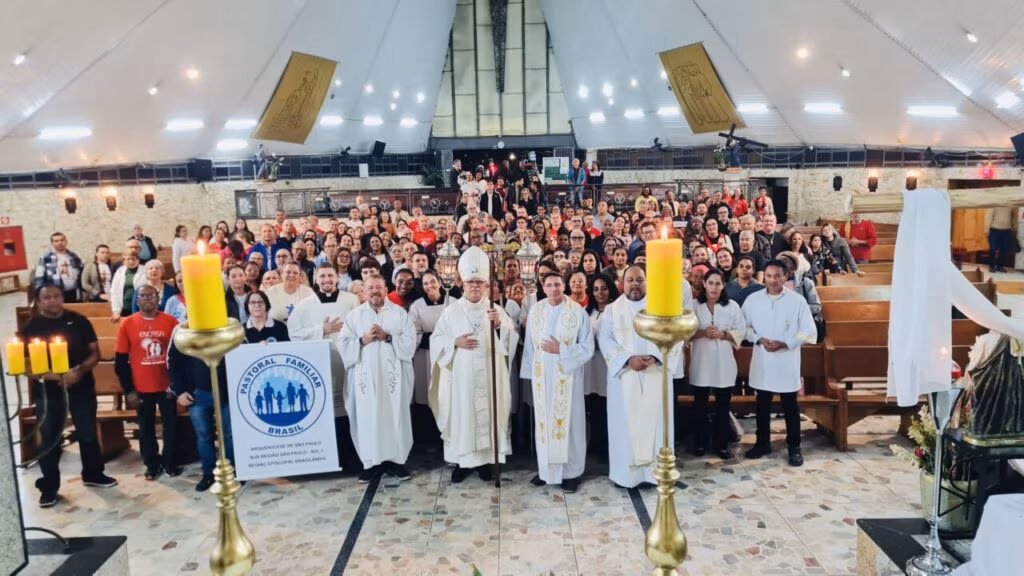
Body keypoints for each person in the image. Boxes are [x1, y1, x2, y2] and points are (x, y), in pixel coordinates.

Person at [429, 247, 518, 482]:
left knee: (489, 413)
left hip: (489, 376)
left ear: (487, 285)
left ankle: (486, 462)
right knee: (463, 415)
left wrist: (499, 326)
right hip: (461, 379)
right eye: (471, 282)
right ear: (463, 284)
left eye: (479, 282)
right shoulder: (451, 312)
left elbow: (511, 339)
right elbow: (436, 340)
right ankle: (462, 462)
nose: (475, 286)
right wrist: (454, 342)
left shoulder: (496, 310)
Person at [23, 284, 113, 507]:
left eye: (57, 296)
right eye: (47, 297)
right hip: (49, 390)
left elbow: (95, 353)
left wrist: (79, 371)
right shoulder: (32, 328)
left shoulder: (78, 320)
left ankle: (93, 473)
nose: (53, 300)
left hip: (81, 385)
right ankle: (50, 486)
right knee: (50, 438)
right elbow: (27, 366)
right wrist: (58, 377)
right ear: (39, 302)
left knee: (87, 432)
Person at [597, 266, 674, 488]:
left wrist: (656, 356)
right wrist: (627, 359)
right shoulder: (612, 310)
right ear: (622, 283)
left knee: (656, 423)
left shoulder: (661, 307)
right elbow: (605, 339)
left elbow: (674, 335)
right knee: (624, 425)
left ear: (647, 281)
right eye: (630, 280)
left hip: (655, 371)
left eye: (640, 279)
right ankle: (626, 475)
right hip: (625, 375)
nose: (635, 284)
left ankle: (653, 474)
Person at [520, 271, 594, 492]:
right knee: (544, 426)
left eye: (558, 285)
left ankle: (571, 473)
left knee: (569, 425)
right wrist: (530, 374)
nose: (554, 289)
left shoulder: (577, 311)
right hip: (542, 378)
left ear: (564, 286)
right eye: (549, 285)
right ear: (543, 288)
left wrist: (561, 349)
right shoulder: (536, 310)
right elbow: (530, 346)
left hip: (567, 377)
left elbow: (587, 347)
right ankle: (546, 471)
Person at [339, 275, 418, 482]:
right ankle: (371, 463)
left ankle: (396, 462)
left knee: (394, 415)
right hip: (365, 380)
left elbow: (410, 342)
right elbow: (343, 344)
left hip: (393, 379)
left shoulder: (399, 313)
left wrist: (388, 337)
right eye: (371, 287)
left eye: (379, 287)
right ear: (364, 291)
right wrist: (363, 340)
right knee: (367, 416)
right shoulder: (354, 316)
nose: (375, 291)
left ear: (385, 289)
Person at [741, 260, 817, 467]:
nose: (773, 280)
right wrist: (759, 339)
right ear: (764, 277)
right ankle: (762, 443)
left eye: (777, 276)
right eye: (769, 276)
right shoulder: (753, 300)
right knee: (762, 405)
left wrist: (787, 342)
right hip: (763, 360)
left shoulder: (797, 301)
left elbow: (809, 331)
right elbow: (743, 327)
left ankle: (794, 447)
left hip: (786, 360)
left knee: (790, 406)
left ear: (785, 276)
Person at [289, 265, 362, 472]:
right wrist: (322, 329)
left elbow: (359, 327)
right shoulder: (304, 305)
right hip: (320, 365)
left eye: (330, 275)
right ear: (315, 279)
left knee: (349, 409)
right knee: (327, 411)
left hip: (347, 362)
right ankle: (329, 459)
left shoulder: (351, 300)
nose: (326, 279)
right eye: (322, 276)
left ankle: (353, 458)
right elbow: (294, 334)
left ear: (337, 278)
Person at [114, 284, 181, 480]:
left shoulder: (171, 322)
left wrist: (176, 385)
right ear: (137, 300)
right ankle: (152, 465)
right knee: (146, 429)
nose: (147, 299)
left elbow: (179, 357)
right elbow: (120, 361)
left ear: (158, 299)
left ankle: (170, 463)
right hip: (141, 387)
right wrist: (129, 390)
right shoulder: (127, 324)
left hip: (167, 386)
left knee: (171, 427)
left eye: (151, 295)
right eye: (143, 296)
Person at [688, 270, 745, 460]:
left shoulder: (732, 306)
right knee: (700, 406)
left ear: (723, 285)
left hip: (724, 363)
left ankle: (721, 445)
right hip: (701, 362)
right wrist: (702, 333)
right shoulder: (695, 306)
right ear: (704, 284)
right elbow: (685, 333)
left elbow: (741, 331)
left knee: (723, 406)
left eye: (718, 283)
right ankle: (700, 443)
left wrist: (725, 335)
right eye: (710, 283)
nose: (714, 287)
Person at [169, 326, 232, 492]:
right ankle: (208, 474)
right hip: (197, 394)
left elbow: (241, 351)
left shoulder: (225, 325)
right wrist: (180, 391)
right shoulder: (182, 330)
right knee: (204, 436)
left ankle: (231, 472)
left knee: (229, 434)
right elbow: (173, 361)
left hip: (225, 392)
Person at [408, 270, 447, 447]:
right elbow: (413, 332)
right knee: (426, 395)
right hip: (424, 355)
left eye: (432, 281)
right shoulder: (416, 306)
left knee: (446, 394)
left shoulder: (452, 301)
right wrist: (438, 339)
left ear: (439, 281)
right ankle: (430, 439)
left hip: (447, 355)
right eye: (425, 283)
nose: (430, 286)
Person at [584, 274, 618, 460]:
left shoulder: (616, 311)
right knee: (593, 404)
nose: (599, 293)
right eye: (596, 289)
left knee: (607, 406)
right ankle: (595, 441)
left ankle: (608, 445)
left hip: (608, 364)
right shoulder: (586, 311)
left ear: (610, 289)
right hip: (591, 365)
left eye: (603, 288)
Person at [34, 232, 84, 303]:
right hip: (55, 294)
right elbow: (39, 277)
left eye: (62, 240)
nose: (60, 243)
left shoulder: (73, 256)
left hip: (73, 292)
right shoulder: (46, 258)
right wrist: (41, 293)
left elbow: (81, 272)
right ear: (52, 243)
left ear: (66, 241)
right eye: (56, 241)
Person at [110, 251, 144, 321]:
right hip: (124, 309)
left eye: (133, 259)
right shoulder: (120, 271)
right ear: (124, 261)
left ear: (138, 260)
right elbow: (114, 292)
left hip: (141, 309)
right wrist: (116, 311)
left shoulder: (145, 270)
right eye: (128, 259)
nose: (131, 261)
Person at [987, 206, 1015, 272]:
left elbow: (1013, 217)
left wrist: (1014, 228)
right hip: (994, 229)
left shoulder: (1011, 204)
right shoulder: (994, 203)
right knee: (993, 248)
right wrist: (986, 230)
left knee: (1004, 249)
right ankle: (991, 266)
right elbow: (989, 217)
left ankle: (1000, 266)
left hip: (1006, 230)